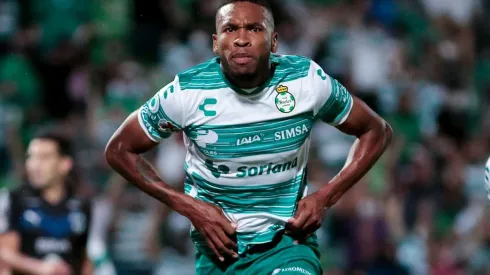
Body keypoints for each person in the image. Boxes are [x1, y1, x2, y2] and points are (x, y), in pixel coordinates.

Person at [105, 0, 392, 274]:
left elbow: (375, 130)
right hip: (219, 252)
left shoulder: (305, 81)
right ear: (216, 43)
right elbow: (119, 149)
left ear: (274, 41)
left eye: (254, 28)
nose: (242, 39)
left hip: (288, 243)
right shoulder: (187, 93)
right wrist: (187, 206)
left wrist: (325, 197)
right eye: (230, 29)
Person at [0, 132, 93, 275]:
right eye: (31, 157)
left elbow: (84, 259)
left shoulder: (82, 206)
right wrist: (40, 268)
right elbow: (4, 254)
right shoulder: (15, 199)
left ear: (65, 164)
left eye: (44, 157)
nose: (34, 165)